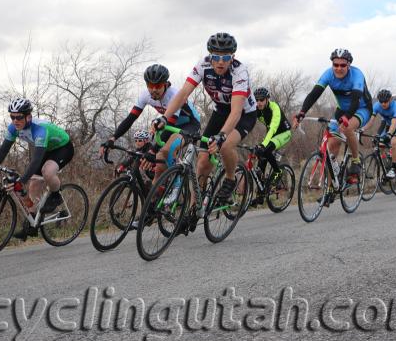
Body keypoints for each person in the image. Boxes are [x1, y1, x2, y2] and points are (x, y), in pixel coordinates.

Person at [154, 32, 257, 233]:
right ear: (209, 55)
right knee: (202, 162)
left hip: (243, 113)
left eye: (225, 57)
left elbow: (236, 111)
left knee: (226, 144)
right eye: (215, 56)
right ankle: (194, 209)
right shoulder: (203, 65)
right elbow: (183, 93)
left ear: (232, 57)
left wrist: (221, 136)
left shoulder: (239, 72)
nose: (220, 62)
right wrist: (165, 117)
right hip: (220, 110)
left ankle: (229, 178)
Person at [0, 98, 74, 240]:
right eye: (12, 117)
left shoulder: (39, 129)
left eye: (19, 117)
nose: (15, 120)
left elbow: (35, 160)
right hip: (46, 149)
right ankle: (33, 225)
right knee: (33, 187)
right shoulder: (13, 128)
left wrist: (21, 181)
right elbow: (3, 150)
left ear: (28, 116)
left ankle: (56, 195)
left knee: (47, 172)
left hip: (63, 148)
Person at [101, 64, 200, 183]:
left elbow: (171, 125)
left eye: (157, 86)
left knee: (166, 149)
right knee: (158, 166)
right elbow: (130, 118)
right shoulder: (145, 95)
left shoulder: (174, 95)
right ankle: (154, 196)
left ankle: (176, 186)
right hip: (169, 124)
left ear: (165, 84)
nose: (153, 90)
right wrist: (113, 138)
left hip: (190, 124)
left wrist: (153, 150)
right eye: (150, 86)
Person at [292, 48, 372, 182]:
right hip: (342, 110)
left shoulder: (357, 75)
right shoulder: (328, 74)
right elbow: (314, 94)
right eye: (336, 65)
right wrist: (302, 112)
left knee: (347, 128)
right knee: (331, 147)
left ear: (349, 65)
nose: (339, 68)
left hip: (361, 108)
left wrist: (347, 117)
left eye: (343, 65)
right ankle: (331, 187)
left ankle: (356, 160)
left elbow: (356, 99)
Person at [360, 89, 396, 179]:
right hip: (391, 126)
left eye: (385, 101)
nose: (383, 104)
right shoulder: (377, 106)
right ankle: (387, 166)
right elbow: (371, 120)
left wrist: (389, 134)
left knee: (394, 142)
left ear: (390, 99)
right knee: (380, 144)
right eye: (381, 101)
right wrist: (362, 129)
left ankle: (395, 167)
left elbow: (394, 123)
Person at [251, 87, 292, 205]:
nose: (259, 102)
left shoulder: (274, 108)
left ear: (267, 99)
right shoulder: (256, 108)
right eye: (256, 100)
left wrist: (263, 144)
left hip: (283, 133)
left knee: (266, 150)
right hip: (271, 134)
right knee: (260, 164)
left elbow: (273, 127)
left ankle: (277, 171)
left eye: (261, 100)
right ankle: (260, 195)